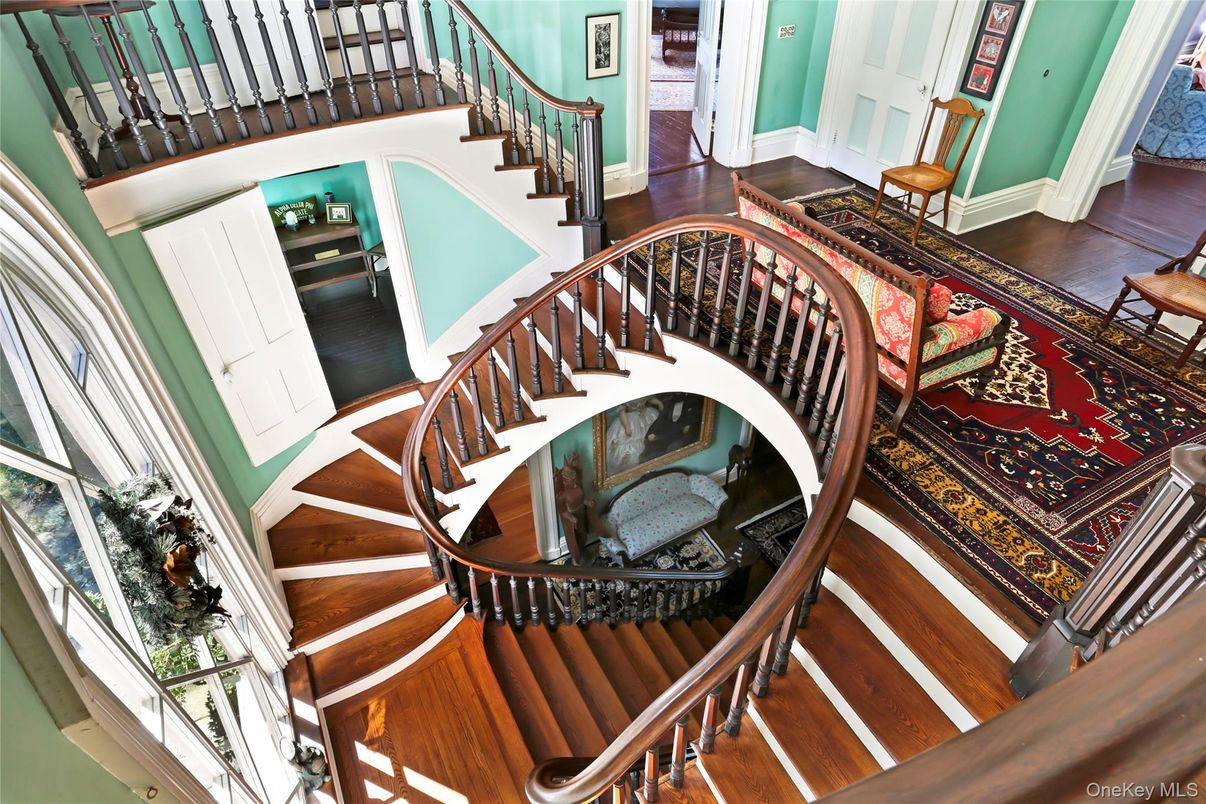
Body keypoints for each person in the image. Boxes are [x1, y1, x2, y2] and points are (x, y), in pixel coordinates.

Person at [606, 397, 663, 473]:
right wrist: (627, 427)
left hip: (646, 415)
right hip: (630, 420)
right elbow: (622, 411)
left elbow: (649, 398)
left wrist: (659, 403)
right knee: (631, 442)